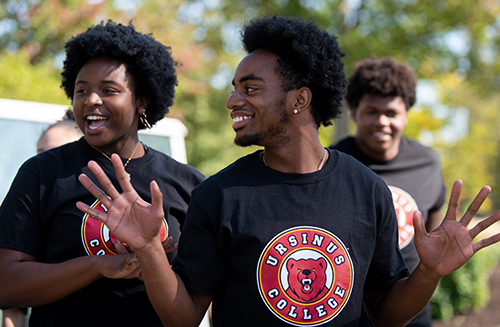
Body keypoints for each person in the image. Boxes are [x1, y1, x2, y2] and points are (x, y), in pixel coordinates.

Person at [76, 15, 500, 327]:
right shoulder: (219, 195)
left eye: (251, 88)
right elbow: (183, 319)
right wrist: (150, 249)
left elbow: (386, 314)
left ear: (299, 99)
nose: (232, 101)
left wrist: (427, 273)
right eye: (234, 88)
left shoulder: (367, 190)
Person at [0, 21, 204, 326]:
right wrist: (98, 266)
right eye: (81, 90)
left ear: (141, 101)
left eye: (109, 90)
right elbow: (6, 285)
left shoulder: (188, 185)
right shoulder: (42, 173)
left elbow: (190, 313)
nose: (91, 100)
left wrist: (148, 251)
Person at [331, 56, 446, 326]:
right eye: (371, 111)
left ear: (406, 114)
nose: (382, 121)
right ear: (354, 113)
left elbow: (432, 232)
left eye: (392, 113)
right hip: (351, 315)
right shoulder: (331, 164)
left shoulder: (428, 162)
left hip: (414, 312)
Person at [2, 110, 83, 327]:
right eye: (40, 154)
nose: (45, 163)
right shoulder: (27, 205)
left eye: (57, 153)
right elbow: (13, 307)